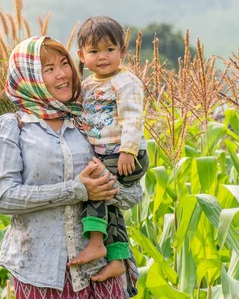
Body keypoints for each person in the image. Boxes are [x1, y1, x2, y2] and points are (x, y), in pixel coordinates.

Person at [0, 35, 142, 298]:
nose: (62, 75)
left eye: (64, 64)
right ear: (28, 78)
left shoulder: (88, 118)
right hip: (40, 274)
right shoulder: (11, 126)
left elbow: (133, 194)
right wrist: (79, 190)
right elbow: (4, 198)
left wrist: (107, 184)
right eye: (49, 69)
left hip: (100, 272)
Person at [69, 16, 148, 282]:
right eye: (94, 51)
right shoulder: (90, 84)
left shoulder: (126, 83)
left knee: (95, 186)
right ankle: (117, 257)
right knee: (111, 207)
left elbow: (133, 118)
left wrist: (128, 150)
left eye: (109, 50)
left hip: (125, 154)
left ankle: (95, 242)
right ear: (81, 55)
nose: (102, 57)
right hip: (108, 153)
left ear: (122, 52)